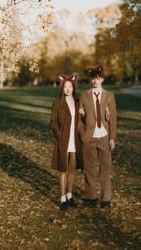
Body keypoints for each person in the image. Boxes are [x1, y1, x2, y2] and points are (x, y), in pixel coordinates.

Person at [78, 66, 117, 208]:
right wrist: (82, 134)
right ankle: (90, 196)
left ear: (102, 79)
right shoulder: (84, 95)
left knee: (106, 167)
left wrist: (112, 138)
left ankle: (106, 198)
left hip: (104, 136)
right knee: (89, 167)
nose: (96, 81)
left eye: (98, 78)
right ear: (90, 79)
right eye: (93, 78)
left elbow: (112, 119)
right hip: (89, 136)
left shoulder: (109, 96)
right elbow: (79, 118)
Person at [50, 74, 83, 211]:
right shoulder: (58, 102)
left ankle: (69, 195)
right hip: (63, 139)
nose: (68, 89)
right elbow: (53, 121)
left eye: (70, 87)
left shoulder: (77, 101)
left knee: (72, 168)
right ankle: (62, 198)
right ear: (62, 88)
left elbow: (82, 119)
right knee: (63, 169)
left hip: (74, 140)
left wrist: (83, 113)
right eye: (65, 87)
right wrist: (58, 133)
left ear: (73, 87)